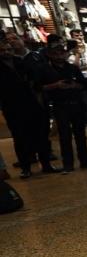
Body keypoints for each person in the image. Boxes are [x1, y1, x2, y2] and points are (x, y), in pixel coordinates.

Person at [37, 42, 87, 172]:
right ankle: (68, 163)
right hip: (59, 105)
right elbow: (38, 87)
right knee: (64, 135)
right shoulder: (45, 69)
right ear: (49, 55)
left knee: (80, 134)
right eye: (55, 53)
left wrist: (74, 85)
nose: (59, 56)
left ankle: (85, 160)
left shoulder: (72, 68)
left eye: (61, 53)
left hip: (76, 103)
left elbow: (84, 85)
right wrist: (55, 85)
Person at [0, 36, 56, 177]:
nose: (7, 52)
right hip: (12, 106)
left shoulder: (20, 62)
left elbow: (35, 81)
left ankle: (46, 164)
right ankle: (26, 168)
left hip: (31, 103)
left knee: (41, 135)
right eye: (3, 50)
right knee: (19, 137)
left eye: (9, 49)